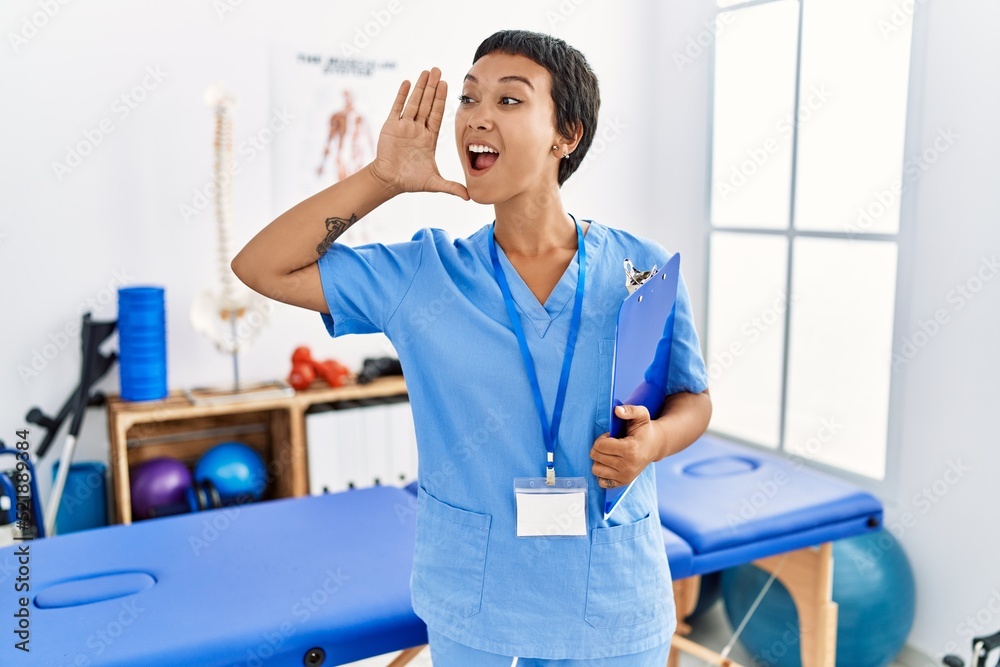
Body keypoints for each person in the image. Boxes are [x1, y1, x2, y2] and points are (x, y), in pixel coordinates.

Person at [233, 29, 711, 667]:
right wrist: (383, 179)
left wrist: (653, 443)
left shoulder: (639, 270)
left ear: (565, 135)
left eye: (509, 101)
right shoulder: (424, 276)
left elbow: (693, 399)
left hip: (615, 604)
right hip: (479, 609)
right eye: (468, 98)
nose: (477, 118)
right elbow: (262, 267)